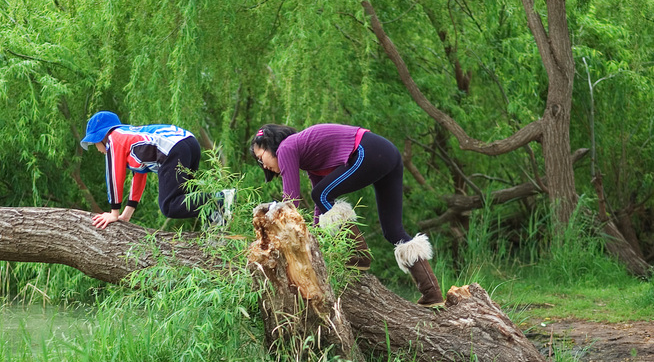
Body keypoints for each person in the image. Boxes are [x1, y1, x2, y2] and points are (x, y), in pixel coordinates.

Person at [250, 123, 445, 307]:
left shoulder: (286, 147)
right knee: (393, 230)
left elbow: (291, 202)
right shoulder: (308, 157)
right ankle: (432, 294)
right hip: (387, 154)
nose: (263, 165)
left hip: (368, 150)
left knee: (321, 194)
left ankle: (359, 256)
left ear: (270, 145)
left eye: (261, 157)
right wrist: (316, 239)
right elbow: (320, 204)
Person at [80, 111, 234, 229]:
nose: (97, 148)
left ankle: (221, 198)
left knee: (169, 206)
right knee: (188, 197)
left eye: (95, 143)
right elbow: (139, 177)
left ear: (102, 136)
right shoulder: (128, 137)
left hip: (174, 149)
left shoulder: (114, 139)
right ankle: (218, 219)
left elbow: (114, 177)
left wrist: (114, 213)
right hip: (188, 142)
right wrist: (126, 214)